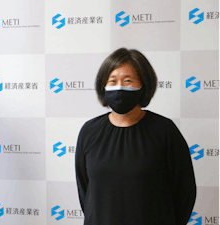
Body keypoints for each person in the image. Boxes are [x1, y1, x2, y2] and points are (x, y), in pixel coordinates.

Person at [75, 48, 196, 225]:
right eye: (113, 80)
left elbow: (184, 191)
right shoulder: (89, 131)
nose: (119, 87)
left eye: (128, 81)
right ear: (103, 85)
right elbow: (85, 190)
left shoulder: (164, 131)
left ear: (143, 85)